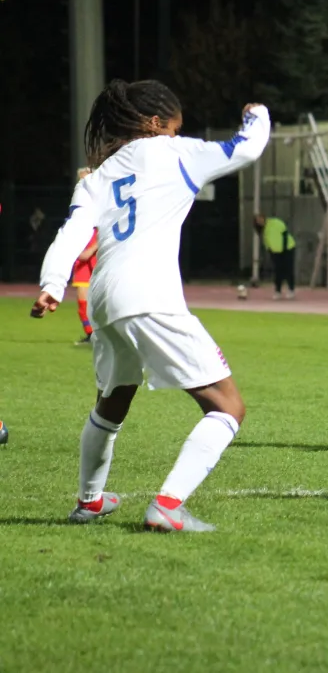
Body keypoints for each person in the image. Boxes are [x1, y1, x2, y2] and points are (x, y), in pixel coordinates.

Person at [31, 79, 271, 532]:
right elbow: (246, 148)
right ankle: (167, 506)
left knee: (112, 402)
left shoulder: (97, 176)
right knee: (228, 407)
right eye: (175, 126)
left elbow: (72, 232)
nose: (178, 133)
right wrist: (256, 114)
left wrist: (52, 283)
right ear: (157, 123)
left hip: (103, 298)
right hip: (149, 294)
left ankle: (89, 502)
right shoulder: (174, 152)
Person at [70, 167, 98, 344]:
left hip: (97, 255)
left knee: (106, 300)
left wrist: (93, 248)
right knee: (83, 301)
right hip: (82, 258)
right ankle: (90, 335)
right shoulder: (78, 203)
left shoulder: (103, 202)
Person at [253, 214, 296, 299]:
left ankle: (291, 290)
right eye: (257, 221)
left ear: (264, 217)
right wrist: (270, 252)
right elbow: (267, 242)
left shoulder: (275, 222)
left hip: (288, 249)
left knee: (288, 269)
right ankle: (278, 291)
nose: (260, 221)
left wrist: (284, 248)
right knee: (277, 271)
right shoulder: (263, 230)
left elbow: (285, 234)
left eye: (260, 219)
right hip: (275, 252)